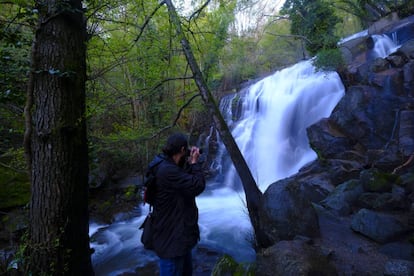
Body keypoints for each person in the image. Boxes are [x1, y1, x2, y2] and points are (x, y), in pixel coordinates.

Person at [150, 132, 206, 276]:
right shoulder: (167, 171)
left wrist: (189, 160)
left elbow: (182, 179)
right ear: (182, 150)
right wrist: (194, 163)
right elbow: (197, 185)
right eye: (185, 150)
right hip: (172, 239)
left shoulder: (165, 163)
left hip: (177, 234)